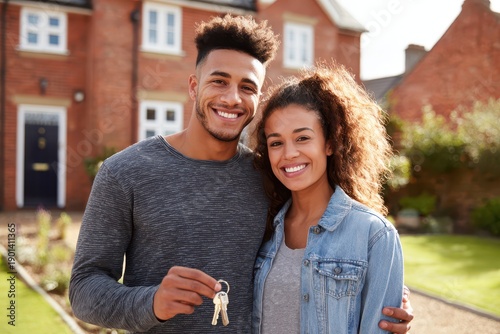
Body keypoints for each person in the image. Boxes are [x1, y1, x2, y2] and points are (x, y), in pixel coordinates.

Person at [69, 15, 413, 333]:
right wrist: (152, 302)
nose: (232, 98)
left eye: (247, 87)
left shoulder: (270, 176)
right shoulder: (124, 173)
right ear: (193, 86)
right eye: (219, 81)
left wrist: (376, 293)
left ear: (258, 96)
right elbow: (84, 288)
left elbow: (313, 261)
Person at [251, 61, 406, 333]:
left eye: (302, 138)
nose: (288, 154)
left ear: (331, 143)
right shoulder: (262, 226)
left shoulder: (374, 235)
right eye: (276, 142)